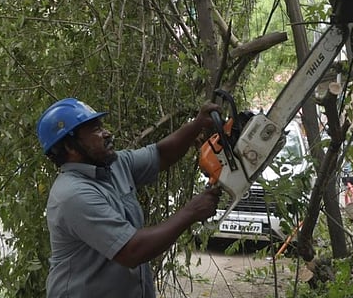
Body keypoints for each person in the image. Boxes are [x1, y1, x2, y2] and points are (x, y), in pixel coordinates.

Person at [38, 98, 223, 298]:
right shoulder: (72, 195)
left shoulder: (113, 165)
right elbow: (132, 250)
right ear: (70, 147)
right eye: (95, 130)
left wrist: (196, 125)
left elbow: (161, 155)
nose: (107, 133)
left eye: (102, 127)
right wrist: (192, 212)